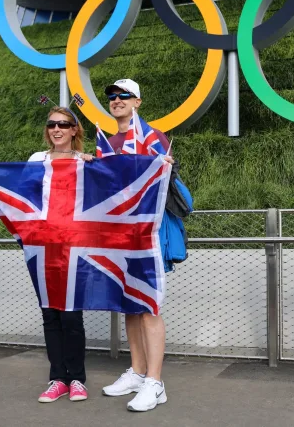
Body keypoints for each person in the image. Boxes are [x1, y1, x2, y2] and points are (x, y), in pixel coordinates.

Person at [100, 79, 173, 412]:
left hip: (146, 233)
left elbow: (158, 181)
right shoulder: (107, 142)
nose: (116, 100)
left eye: (122, 95)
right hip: (118, 234)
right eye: (112, 97)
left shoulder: (152, 137)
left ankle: (155, 383)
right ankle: (138, 371)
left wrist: (164, 169)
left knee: (149, 305)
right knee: (130, 304)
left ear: (137, 101)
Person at [29, 106, 92, 403]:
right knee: (49, 315)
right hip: (42, 245)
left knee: (70, 315)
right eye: (52, 124)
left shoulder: (84, 161)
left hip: (74, 247)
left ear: (74, 130)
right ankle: (58, 378)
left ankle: (77, 379)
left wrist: (159, 164)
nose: (57, 129)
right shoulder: (36, 160)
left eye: (64, 125)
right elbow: (20, 191)